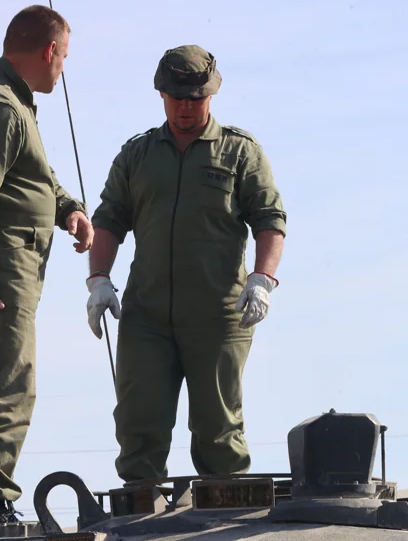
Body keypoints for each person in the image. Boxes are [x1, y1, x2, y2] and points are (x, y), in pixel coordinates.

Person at [86, 45, 287, 483]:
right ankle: (139, 522)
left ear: (210, 95)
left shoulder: (239, 153)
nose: (185, 107)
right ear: (161, 94)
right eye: (177, 97)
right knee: (139, 424)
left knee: (218, 430)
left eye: (195, 98)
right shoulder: (137, 156)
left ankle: (221, 525)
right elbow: (108, 220)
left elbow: (271, 220)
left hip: (218, 314)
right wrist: (99, 279)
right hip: (147, 316)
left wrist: (263, 278)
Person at [0, 4, 94, 536]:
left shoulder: (11, 104)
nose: (63, 68)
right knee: (4, 387)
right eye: (65, 56)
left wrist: (68, 207)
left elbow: (34, 177)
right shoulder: (2, 109)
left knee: (2, 383)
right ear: (50, 51)